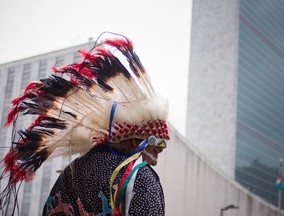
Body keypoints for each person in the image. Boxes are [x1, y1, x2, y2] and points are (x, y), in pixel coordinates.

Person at [0, 33, 170, 216]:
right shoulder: (141, 179)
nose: (156, 159)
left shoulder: (70, 175)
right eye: (156, 148)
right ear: (135, 141)